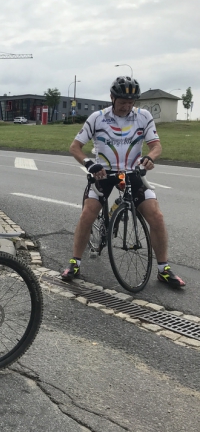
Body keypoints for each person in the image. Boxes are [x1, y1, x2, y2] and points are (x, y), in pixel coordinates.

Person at [61, 76, 185, 288]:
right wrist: (90, 164)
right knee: (88, 214)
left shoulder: (143, 117)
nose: (126, 107)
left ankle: (163, 269)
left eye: (131, 102)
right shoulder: (97, 118)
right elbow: (75, 148)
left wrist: (150, 157)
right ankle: (75, 262)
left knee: (156, 215)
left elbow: (156, 146)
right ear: (112, 98)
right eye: (122, 102)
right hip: (103, 173)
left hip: (133, 173)